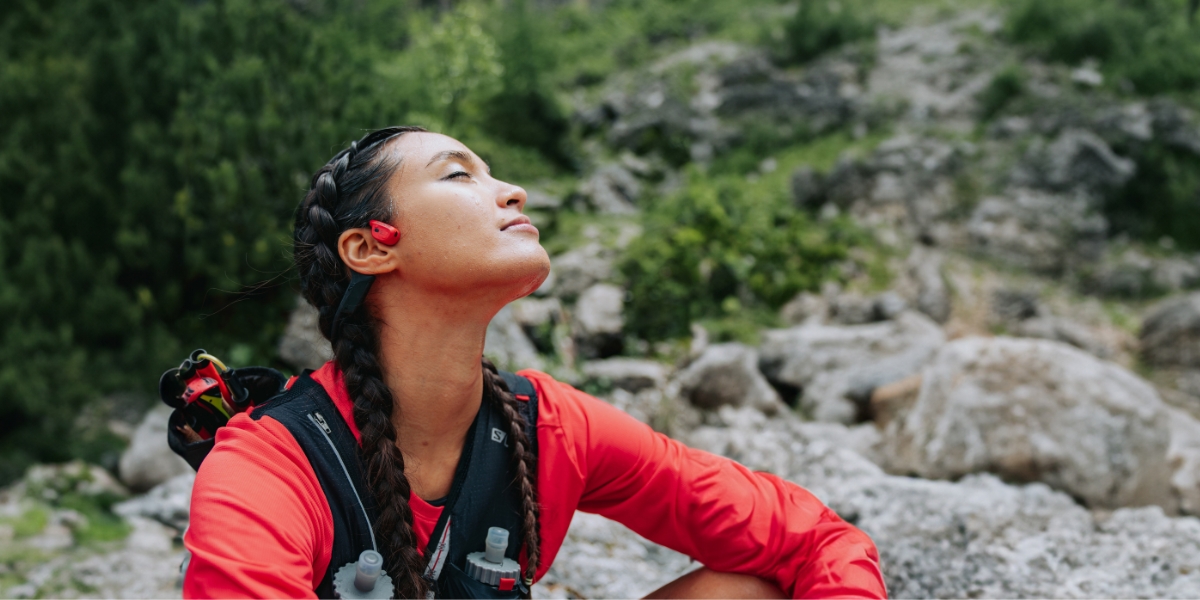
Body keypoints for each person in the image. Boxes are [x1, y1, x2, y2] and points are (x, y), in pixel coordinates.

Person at [183, 126, 886, 599]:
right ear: (371, 248)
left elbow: (816, 538)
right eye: (459, 175)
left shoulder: (549, 428)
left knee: (748, 589)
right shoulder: (267, 469)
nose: (512, 192)